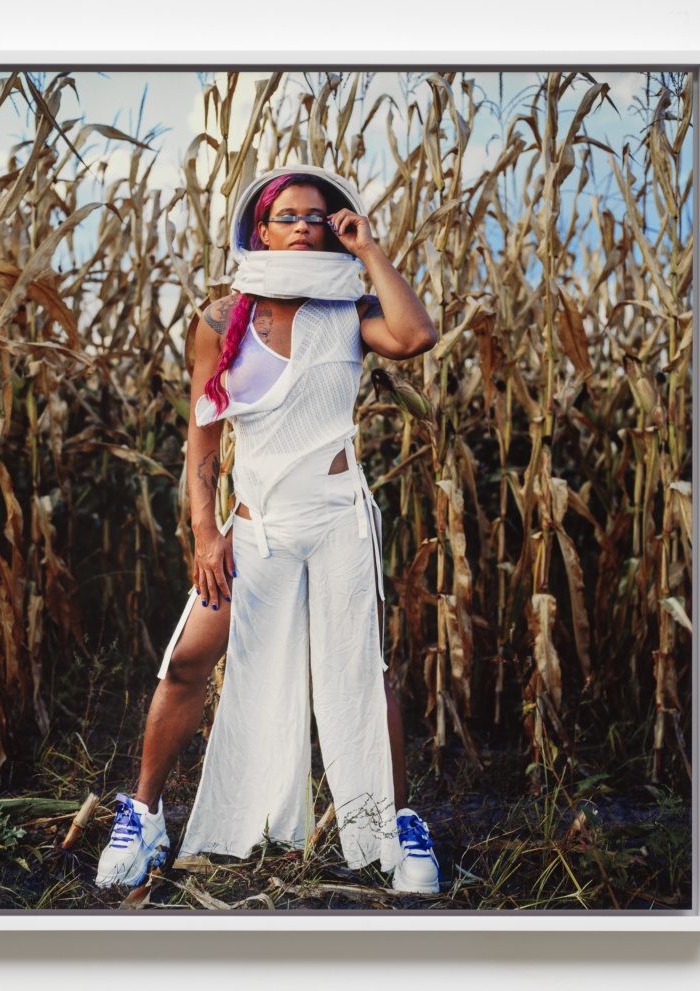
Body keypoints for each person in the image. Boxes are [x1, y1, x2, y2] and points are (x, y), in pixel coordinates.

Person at [95, 164, 441, 894]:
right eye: (289, 215)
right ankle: (145, 813)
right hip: (254, 529)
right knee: (188, 659)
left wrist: (367, 248)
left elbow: (415, 337)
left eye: (319, 216)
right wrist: (205, 534)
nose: (305, 227)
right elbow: (201, 448)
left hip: (338, 520)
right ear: (260, 227)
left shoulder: (348, 307)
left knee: (362, 672)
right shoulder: (222, 321)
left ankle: (400, 823)